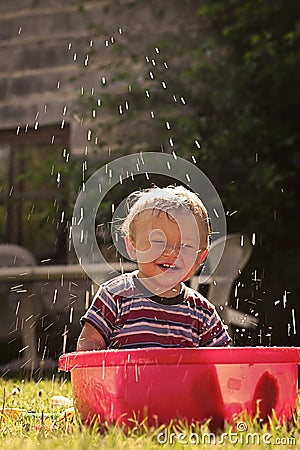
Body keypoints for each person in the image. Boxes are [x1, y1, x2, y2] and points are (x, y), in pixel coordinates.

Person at [77, 185, 231, 350]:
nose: (172, 253)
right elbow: (88, 346)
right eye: (158, 241)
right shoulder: (115, 296)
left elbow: (222, 362)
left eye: (185, 246)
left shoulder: (202, 313)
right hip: (126, 377)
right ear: (132, 246)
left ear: (200, 258)